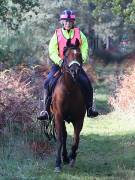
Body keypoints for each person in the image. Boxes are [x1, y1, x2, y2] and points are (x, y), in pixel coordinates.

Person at [37, 9, 98, 120]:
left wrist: (80, 61)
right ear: (62, 22)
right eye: (66, 21)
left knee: (87, 82)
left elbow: (85, 49)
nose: (68, 23)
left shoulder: (80, 34)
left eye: (70, 21)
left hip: (75, 65)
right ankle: (45, 111)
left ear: (73, 22)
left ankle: (89, 109)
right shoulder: (57, 34)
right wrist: (59, 61)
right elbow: (52, 50)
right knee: (47, 82)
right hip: (59, 64)